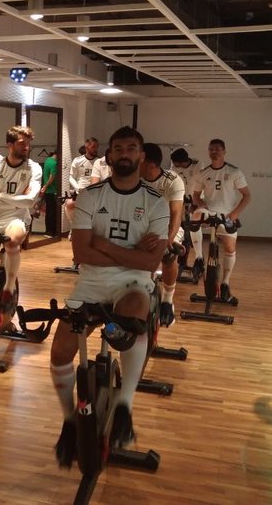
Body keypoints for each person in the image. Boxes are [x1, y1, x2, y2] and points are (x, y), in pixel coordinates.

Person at [49, 126, 169, 467]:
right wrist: (130, 252)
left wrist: (102, 245)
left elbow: (151, 263)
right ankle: (69, 420)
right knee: (59, 355)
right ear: (110, 155)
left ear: (141, 155)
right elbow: (81, 253)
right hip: (91, 283)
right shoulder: (90, 196)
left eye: (131, 148)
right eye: (118, 148)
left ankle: (125, 405)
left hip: (133, 283)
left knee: (134, 320)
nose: (124, 154)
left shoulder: (156, 202)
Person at [0, 126, 42, 336]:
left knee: (12, 240)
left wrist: (0, 195)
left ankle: (8, 289)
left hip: (17, 218)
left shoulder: (34, 168)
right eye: (22, 143)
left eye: (28, 143)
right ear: (10, 145)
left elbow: (30, 201)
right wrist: (14, 199)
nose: (27, 147)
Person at [191, 139, 250, 302]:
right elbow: (195, 195)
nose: (214, 152)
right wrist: (200, 203)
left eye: (217, 149)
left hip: (227, 215)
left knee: (230, 248)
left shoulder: (234, 172)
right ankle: (198, 258)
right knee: (194, 216)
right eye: (211, 149)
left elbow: (247, 195)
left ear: (224, 151)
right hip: (209, 211)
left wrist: (235, 214)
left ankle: (225, 283)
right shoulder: (203, 173)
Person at [140, 143, 185, 324]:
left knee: (168, 257)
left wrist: (168, 240)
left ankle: (167, 299)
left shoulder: (173, 180)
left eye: (140, 159)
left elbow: (176, 214)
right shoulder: (134, 178)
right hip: (143, 227)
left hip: (167, 227)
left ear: (150, 164)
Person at [170, 147, 200, 263]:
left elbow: (200, 184)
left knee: (190, 231)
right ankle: (178, 259)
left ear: (182, 162)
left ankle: (190, 260)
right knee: (179, 228)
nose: (174, 165)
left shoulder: (197, 166)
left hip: (194, 200)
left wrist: (195, 203)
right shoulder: (174, 168)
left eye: (176, 163)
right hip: (179, 199)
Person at [66, 138, 101, 230]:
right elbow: (71, 177)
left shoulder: (100, 162)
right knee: (70, 205)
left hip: (95, 192)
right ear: (86, 147)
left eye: (97, 147)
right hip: (81, 191)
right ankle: (73, 228)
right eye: (93, 146)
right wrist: (77, 188)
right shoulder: (77, 161)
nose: (96, 149)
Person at [40, 150, 59, 237]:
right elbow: (52, 177)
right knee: (53, 212)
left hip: (47, 191)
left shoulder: (47, 160)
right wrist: (46, 186)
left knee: (48, 211)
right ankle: (52, 232)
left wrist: (44, 187)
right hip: (52, 190)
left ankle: (48, 231)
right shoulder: (54, 163)